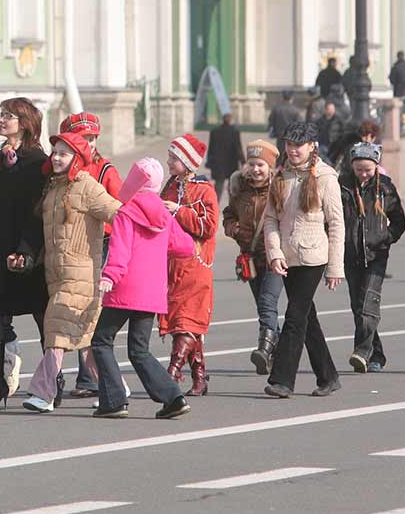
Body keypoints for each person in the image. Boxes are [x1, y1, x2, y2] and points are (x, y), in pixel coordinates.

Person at [19, 132, 121, 413]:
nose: (56, 158)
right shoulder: (53, 189)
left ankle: (43, 393)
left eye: (63, 153)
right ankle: (116, 389)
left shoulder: (87, 186)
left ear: (77, 158)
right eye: (55, 152)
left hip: (81, 276)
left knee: (55, 333)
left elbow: (119, 214)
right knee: (84, 340)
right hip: (57, 275)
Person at [91, 158, 194, 419]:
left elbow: (120, 250)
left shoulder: (126, 213)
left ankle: (114, 400)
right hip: (152, 292)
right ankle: (173, 397)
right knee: (138, 349)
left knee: (101, 340)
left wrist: (109, 275)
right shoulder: (163, 214)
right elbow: (184, 246)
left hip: (125, 287)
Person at [0, 98, 50, 412]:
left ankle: (50, 382)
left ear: (26, 122)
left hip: (29, 252)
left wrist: (26, 251)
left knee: (43, 318)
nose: (2, 120)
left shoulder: (38, 161)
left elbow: (37, 212)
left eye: (9, 116)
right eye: (1, 115)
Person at [262, 121, 344, 399]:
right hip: (287, 257)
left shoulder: (325, 177)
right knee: (307, 317)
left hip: (313, 256)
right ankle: (328, 376)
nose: (293, 149)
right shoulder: (281, 176)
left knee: (295, 316)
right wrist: (274, 252)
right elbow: (271, 220)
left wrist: (335, 267)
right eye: (290, 144)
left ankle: (282, 380)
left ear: (313, 146)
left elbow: (336, 224)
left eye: (299, 144)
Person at [58, 112, 122, 400]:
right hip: (70, 247)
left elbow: (121, 209)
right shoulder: (59, 171)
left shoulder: (106, 170)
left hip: (101, 245)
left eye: (93, 138)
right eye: (84, 139)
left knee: (91, 310)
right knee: (70, 310)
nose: (90, 144)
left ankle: (92, 378)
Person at [159, 133, 218, 397]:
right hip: (172, 265)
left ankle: (170, 375)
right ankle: (200, 376)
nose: (169, 162)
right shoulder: (171, 185)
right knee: (183, 324)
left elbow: (208, 227)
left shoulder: (204, 190)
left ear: (188, 161)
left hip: (196, 264)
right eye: (170, 157)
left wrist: (178, 211)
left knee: (187, 322)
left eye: (174, 158)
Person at [339, 142, 405, 373]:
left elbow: (399, 221)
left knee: (369, 304)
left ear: (376, 166)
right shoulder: (342, 186)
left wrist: (386, 238)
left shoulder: (385, 187)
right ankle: (376, 354)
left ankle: (361, 351)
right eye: (359, 169)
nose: (363, 174)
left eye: (368, 169)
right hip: (350, 254)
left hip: (376, 255)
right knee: (358, 306)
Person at [223, 139, 281, 374]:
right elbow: (228, 215)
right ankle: (274, 354)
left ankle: (264, 349)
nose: (256, 169)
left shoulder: (279, 189)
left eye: (261, 165)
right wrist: (234, 229)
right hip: (250, 257)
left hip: (274, 257)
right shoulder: (240, 189)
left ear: (270, 167)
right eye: (252, 164)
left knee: (268, 303)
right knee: (263, 307)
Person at [206, 113, 244, 202]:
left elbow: (211, 148)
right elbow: (238, 148)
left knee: (218, 186)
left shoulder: (214, 131)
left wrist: (209, 162)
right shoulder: (234, 132)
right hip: (231, 163)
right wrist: (243, 162)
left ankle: (214, 206)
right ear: (230, 121)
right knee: (232, 186)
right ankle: (232, 206)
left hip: (218, 164)